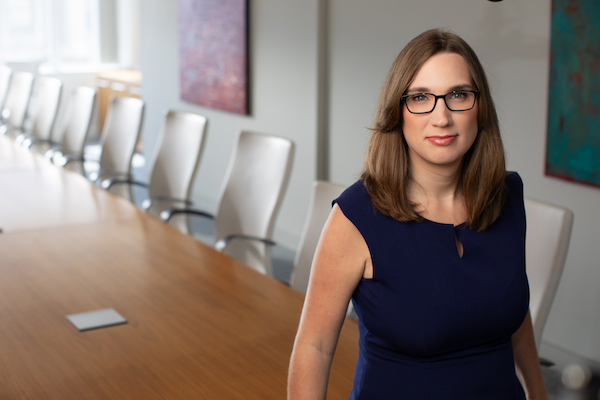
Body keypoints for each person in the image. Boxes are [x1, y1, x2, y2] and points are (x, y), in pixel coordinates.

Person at [287, 29, 549, 399]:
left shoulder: (507, 196)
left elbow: (511, 312)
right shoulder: (357, 216)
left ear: (481, 107)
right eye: (421, 97)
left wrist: (539, 393)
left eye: (459, 95)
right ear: (398, 111)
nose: (441, 117)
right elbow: (314, 347)